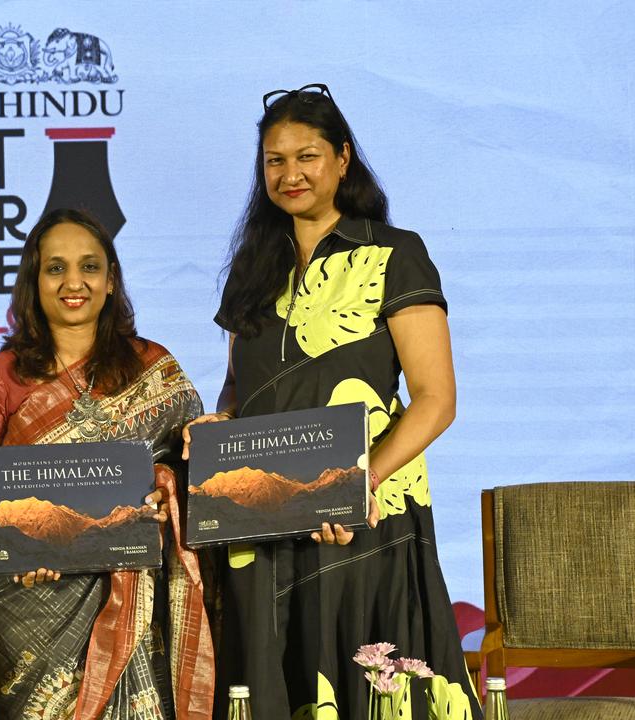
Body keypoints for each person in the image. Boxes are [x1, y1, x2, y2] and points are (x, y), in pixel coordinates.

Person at [183, 85, 481, 719]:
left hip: (365, 514)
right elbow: (241, 391)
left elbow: (436, 399)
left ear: (343, 159)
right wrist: (219, 424)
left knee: (368, 688)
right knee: (270, 686)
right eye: (274, 160)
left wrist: (360, 481)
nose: (289, 174)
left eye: (307, 155)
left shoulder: (395, 254)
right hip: (261, 521)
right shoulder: (252, 269)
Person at [0, 208, 215, 719]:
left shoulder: (154, 367)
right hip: (32, 602)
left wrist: (170, 494)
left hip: (143, 599)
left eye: (89, 267)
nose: (73, 282)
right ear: (33, 281)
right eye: (55, 268)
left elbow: (200, 486)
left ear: (111, 279)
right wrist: (19, 550)